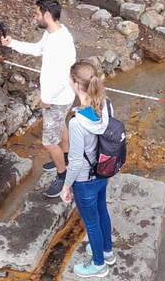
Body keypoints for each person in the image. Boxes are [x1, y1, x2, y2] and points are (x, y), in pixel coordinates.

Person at [1, 0, 77, 197]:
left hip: (57, 99)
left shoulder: (63, 42)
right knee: (60, 126)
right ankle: (66, 158)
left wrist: (47, 100)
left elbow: (64, 77)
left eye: (37, 14)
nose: (35, 17)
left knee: (49, 143)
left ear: (47, 15)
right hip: (60, 98)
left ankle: (63, 178)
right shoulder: (51, 34)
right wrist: (12, 43)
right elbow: (37, 49)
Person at [60, 61, 115, 278]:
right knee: (102, 213)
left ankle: (99, 264)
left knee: (91, 224)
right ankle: (107, 251)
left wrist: (66, 186)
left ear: (75, 84)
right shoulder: (106, 104)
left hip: (84, 180)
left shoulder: (76, 123)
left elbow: (74, 162)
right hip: (103, 171)